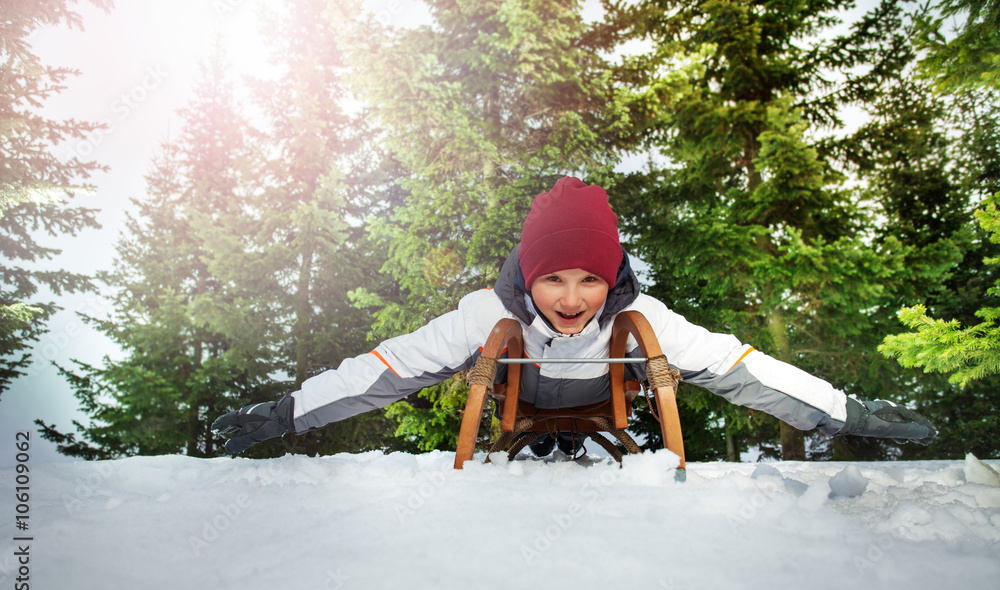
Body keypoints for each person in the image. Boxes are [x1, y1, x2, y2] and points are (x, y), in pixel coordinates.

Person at [212, 177, 936, 455]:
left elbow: (737, 365)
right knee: (465, 362)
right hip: (520, 393)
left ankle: (581, 443)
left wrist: (848, 411)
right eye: (553, 277)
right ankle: (545, 442)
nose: (569, 297)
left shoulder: (637, 315)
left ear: (611, 276)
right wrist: (289, 410)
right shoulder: (487, 313)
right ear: (529, 275)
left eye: (589, 278)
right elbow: (390, 364)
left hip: (604, 396)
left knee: (691, 357)